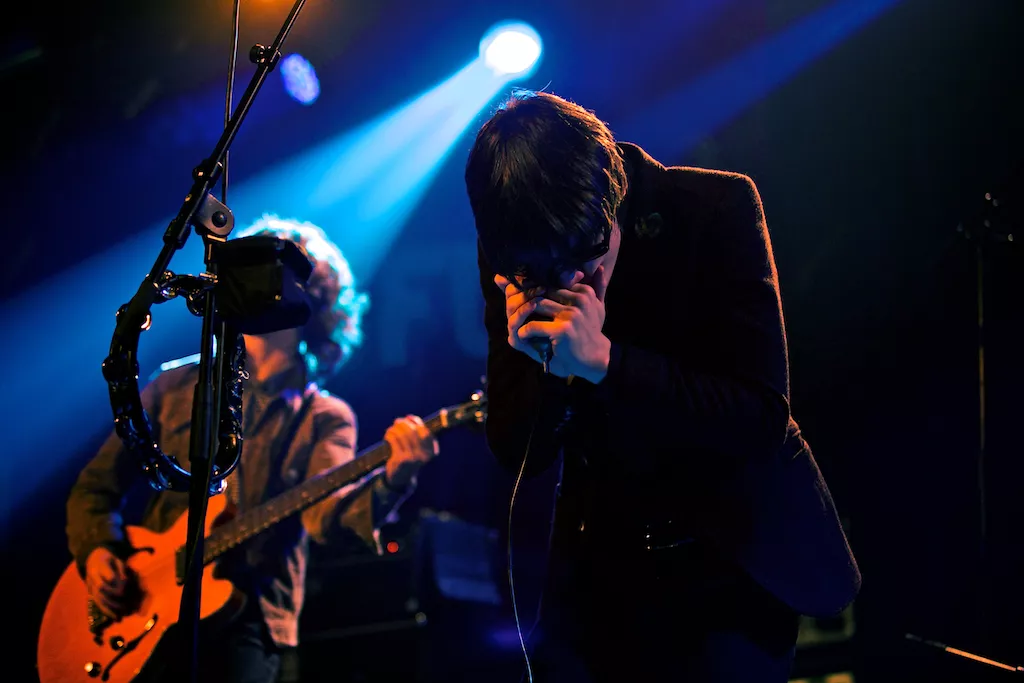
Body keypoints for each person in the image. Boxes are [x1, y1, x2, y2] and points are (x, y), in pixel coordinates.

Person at [465, 90, 861, 682]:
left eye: (587, 254)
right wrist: (541, 369)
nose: (570, 279)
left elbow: (758, 416)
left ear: (612, 197)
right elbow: (512, 446)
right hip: (603, 570)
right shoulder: (521, 247)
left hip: (731, 563)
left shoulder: (711, 205)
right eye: (550, 271)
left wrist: (606, 363)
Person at [65, 215, 439, 683]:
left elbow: (328, 519)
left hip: (247, 622)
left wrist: (394, 478)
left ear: (312, 297)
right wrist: (98, 551)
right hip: (147, 614)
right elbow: (95, 487)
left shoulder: (323, 418)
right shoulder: (177, 384)